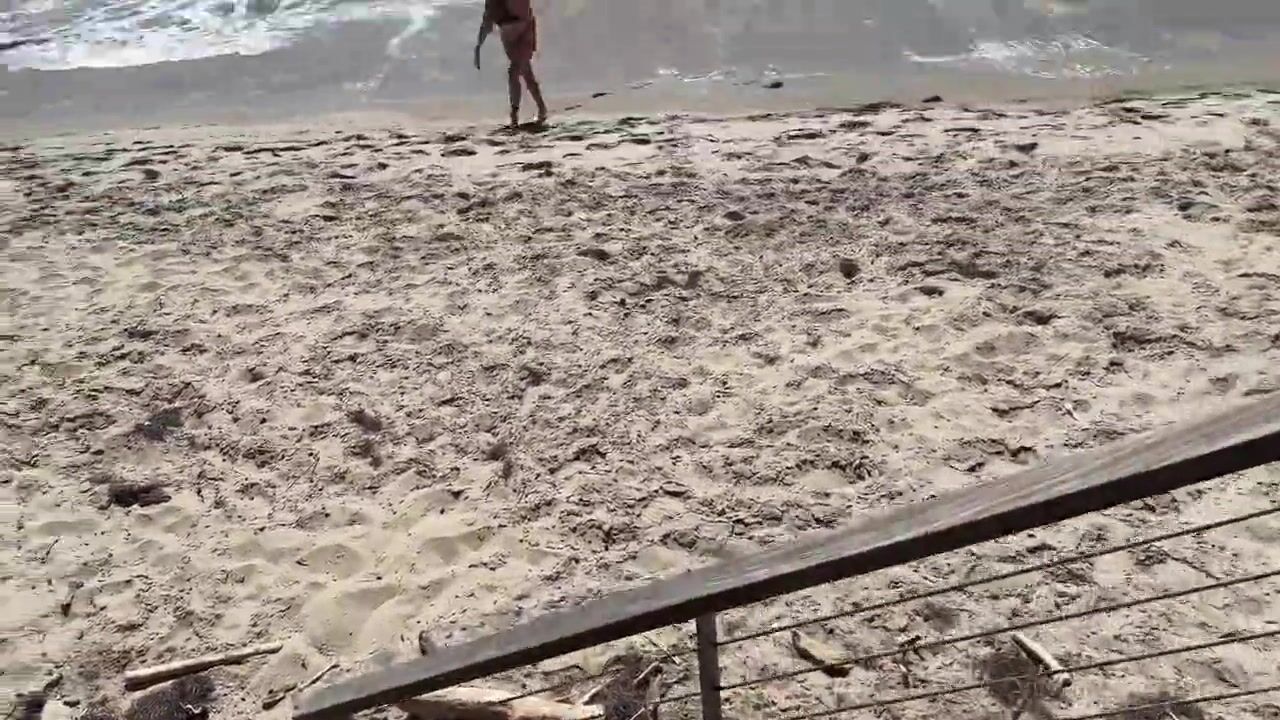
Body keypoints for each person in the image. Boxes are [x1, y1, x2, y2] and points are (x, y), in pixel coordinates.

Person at [475, 0, 548, 128]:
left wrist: (479, 46)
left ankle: (515, 114)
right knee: (525, 71)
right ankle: (540, 109)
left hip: (522, 28)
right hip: (512, 31)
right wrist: (478, 46)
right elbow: (488, 19)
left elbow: (488, 20)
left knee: (515, 71)